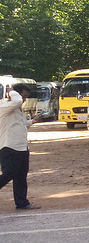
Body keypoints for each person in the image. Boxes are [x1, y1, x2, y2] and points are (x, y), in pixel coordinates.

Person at [0, 82, 42, 210]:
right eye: (23, 96)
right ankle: (21, 201)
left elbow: (22, 123)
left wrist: (33, 121)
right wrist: (11, 91)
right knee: (9, 173)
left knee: (21, 175)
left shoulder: (18, 110)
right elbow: (17, 101)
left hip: (22, 147)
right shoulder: (6, 106)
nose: (24, 100)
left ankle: (22, 202)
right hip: (9, 147)